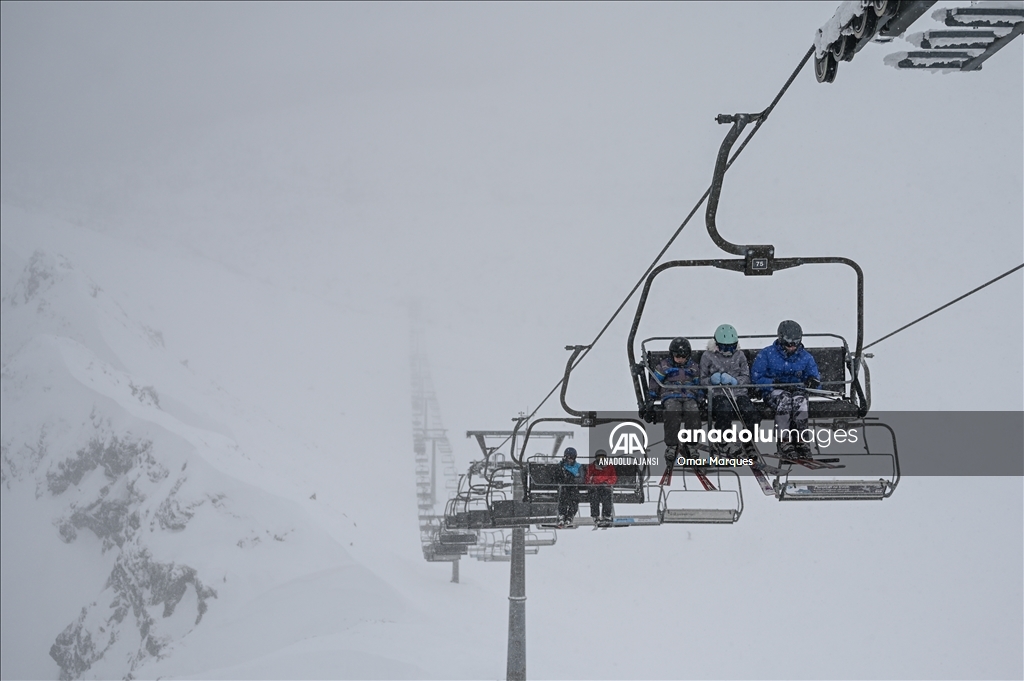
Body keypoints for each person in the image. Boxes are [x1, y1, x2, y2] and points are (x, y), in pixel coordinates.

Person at [752, 320, 821, 456]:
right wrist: (773, 383)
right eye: (788, 343)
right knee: (785, 400)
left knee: (800, 401)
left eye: (795, 342)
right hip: (774, 392)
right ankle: (783, 440)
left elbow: (816, 379)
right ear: (781, 339)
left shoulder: (805, 357)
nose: (792, 347)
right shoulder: (767, 354)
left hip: (796, 391)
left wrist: (812, 382)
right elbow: (756, 378)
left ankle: (801, 439)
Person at [700, 324, 759, 457]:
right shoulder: (708, 356)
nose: (728, 351)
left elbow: (746, 377)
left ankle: (747, 441)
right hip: (718, 394)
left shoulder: (740, 356)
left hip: (738, 393)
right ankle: (723, 441)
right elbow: (702, 380)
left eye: (731, 347)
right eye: (724, 347)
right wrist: (711, 381)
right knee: (724, 410)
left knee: (752, 414)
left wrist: (735, 381)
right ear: (716, 344)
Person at [650, 337, 702, 462]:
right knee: (672, 412)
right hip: (671, 395)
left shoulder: (693, 367)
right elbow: (655, 382)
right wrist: (651, 397)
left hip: (689, 396)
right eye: (677, 356)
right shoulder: (664, 366)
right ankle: (672, 445)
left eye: (683, 356)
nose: (680, 359)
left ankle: (691, 444)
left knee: (693, 413)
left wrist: (700, 396)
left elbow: (699, 383)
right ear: (671, 354)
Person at [584, 449, 616, 524]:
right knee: (594, 497)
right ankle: (595, 515)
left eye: (603, 458)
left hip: (605, 486)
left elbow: (613, 477)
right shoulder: (592, 467)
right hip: (595, 487)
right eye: (599, 458)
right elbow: (587, 478)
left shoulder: (609, 467)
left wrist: (607, 483)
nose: (601, 460)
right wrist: (592, 483)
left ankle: (606, 515)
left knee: (607, 496)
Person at [556, 447, 583, 527]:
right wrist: (561, 468)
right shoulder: (562, 466)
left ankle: (570, 515)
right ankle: (562, 514)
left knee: (574, 498)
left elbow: (581, 479)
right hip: (564, 487)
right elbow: (557, 477)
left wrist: (573, 480)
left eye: (572, 458)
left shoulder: (578, 466)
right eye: (568, 458)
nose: (570, 460)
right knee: (563, 496)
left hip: (573, 487)